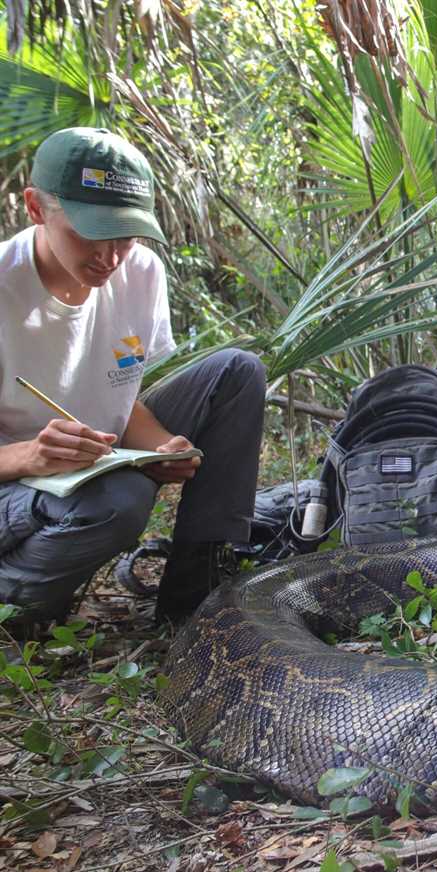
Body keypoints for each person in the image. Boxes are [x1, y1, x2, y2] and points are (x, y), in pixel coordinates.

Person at [0, 127, 266, 630]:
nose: (109, 257)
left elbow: (120, 400)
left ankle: (196, 595)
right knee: (120, 500)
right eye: (89, 232)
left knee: (237, 370)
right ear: (35, 208)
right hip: (14, 487)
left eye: (124, 234)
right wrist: (28, 455)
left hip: (88, 462)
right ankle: (17, 603)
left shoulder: (140, 272)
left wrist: (165, 446)